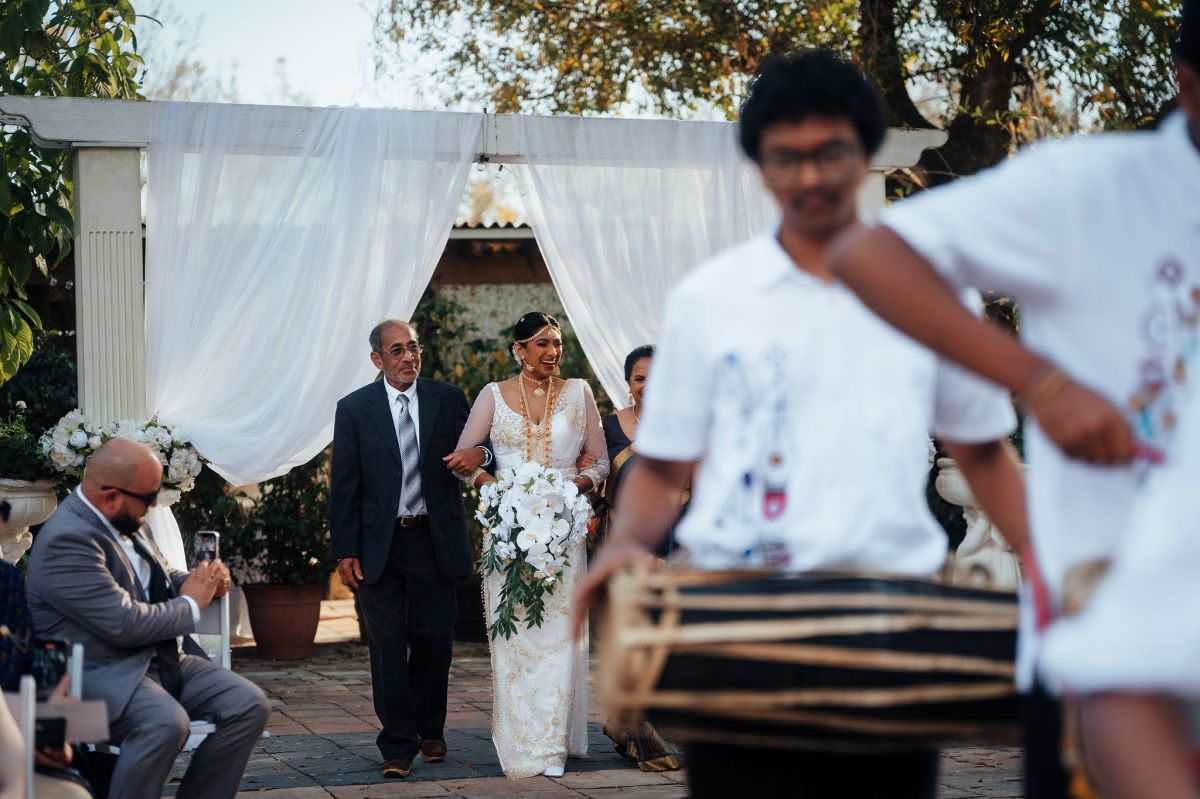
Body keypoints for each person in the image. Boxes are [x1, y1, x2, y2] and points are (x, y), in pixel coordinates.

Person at [573, 50, 1023, 799]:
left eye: (830, 153)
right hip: (737, 624)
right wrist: (623, 545)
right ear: (759, 163)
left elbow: (982, 453)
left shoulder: (933, 288)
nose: (810, 176)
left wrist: (1054, 570)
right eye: (787, 157)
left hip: (884, 623)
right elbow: (664, 465)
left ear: (865, 150)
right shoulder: (710, 299)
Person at [830, 4, 1199, 793]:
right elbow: (871, 256)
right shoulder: (1090, 185)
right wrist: (1042, 381)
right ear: (1189, 84)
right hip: (1109, 620)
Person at [24, 438, 269, 799]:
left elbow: (163, 575)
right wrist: (190, 603)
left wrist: (203, 581)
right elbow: (125, 624)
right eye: (149, 496)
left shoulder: (126, 517)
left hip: (158, 659)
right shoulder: (68, 541)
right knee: (165, 723)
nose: (153, 504)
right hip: (96, 673)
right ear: (111, 496)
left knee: (248, 704)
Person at [449, 311, 609, 778]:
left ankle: (552, 746)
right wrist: (497, 490)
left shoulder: (579, 393)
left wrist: (574, 486)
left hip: (563, 531)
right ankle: (524, 744)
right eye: (541, 343)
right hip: (510, 533)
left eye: (556, 343)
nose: (552, 352)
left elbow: (600, 462)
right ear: (519, 350)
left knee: (559, 637)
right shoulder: (492, 395)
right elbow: (465, 461)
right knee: (516, 636)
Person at [331, 319, 489, 779]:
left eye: (413, 348)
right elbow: (344, 484)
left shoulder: (448, 399)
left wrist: (480, 456)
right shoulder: (354, 409)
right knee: (386, 645)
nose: (408, 357)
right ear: (377, 359)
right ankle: (397, 744)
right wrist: (345, 549)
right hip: (378, 544)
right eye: (397, 350)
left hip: (434, 539)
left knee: (434, 639)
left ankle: (429, 728)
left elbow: (484, 449)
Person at [595, 345, 683, 773]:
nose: (648, 386)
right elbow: (595, 477)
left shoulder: (684, 427)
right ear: (628, 383)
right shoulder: (609, 427)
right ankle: (642, 737)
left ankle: (625, 723)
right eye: (639, 378)